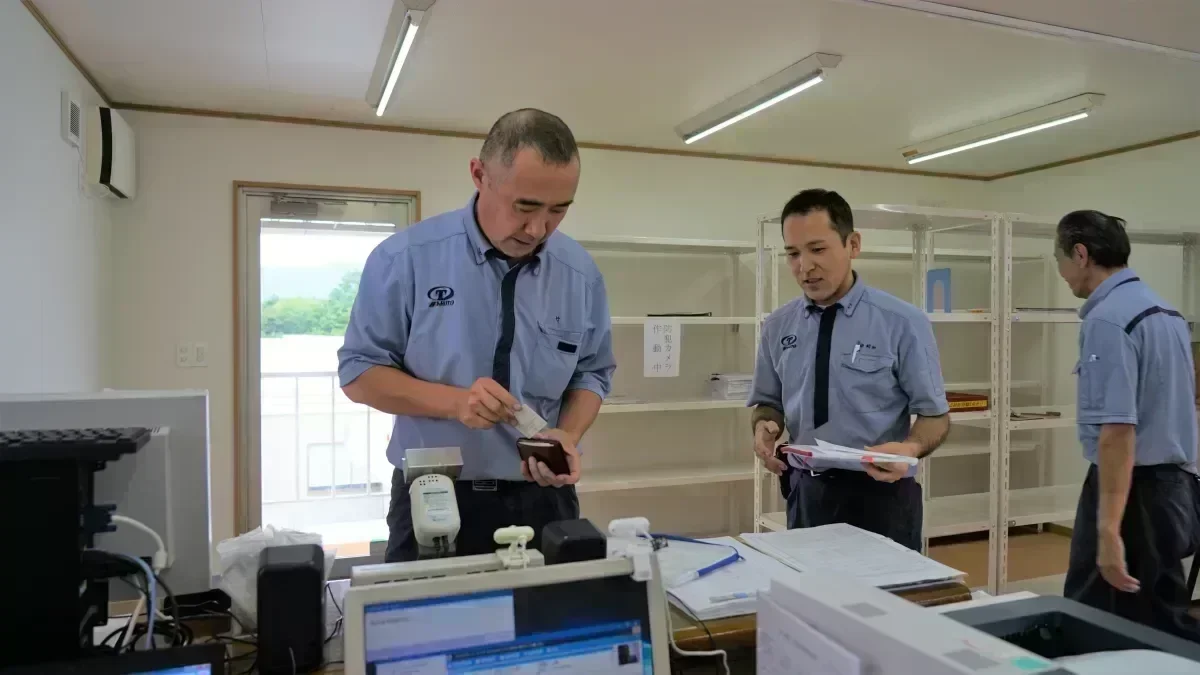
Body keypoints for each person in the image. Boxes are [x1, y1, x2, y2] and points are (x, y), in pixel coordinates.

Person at [338, 109, 615, 562]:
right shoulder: (403, 260)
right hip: (434, 495)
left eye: (558, 211)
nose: (538, 229)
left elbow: (593, 373)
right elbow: (358, 374)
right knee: (430, 628)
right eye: (524, 207)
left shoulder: (580, 274)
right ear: (478, 174)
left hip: (544, 500)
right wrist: (456, 403)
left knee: (549, 628)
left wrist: (568, 433)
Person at [748, 189, 950, 551]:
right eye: (793, 253)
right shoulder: (778, 326)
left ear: (853, 244)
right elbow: (767, 402)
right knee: (809, 601)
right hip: (806, 492)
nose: (804, 266)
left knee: (889, 604)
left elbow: (936, 417)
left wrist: (911, 448)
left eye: (818, 249)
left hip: (881, 496)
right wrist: (765, 426)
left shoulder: (902, 322)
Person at [1054, 210, 1200, 640]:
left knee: (1095, 623)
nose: (1062, 274)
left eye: (1060, 260)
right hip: (1172, 487)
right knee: (1159, 620)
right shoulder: (1166, 312)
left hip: (1132, 493)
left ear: (1081, 254)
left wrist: (1108, 531)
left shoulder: (1108, 319)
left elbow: (1117, 431)